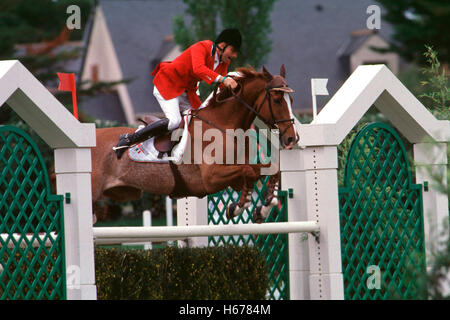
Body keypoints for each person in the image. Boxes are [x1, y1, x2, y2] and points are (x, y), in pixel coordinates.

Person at [114, 28, 242, 159]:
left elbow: (222, 85)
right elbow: (199, 69)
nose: (234, 56)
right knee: (175, 121)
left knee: (201, 120)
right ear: (222, 45)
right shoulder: (203, 46)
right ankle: (129, 138)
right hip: (168, 84)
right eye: (233, 51)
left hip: (186, 92)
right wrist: (224, 79)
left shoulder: (223, 62)